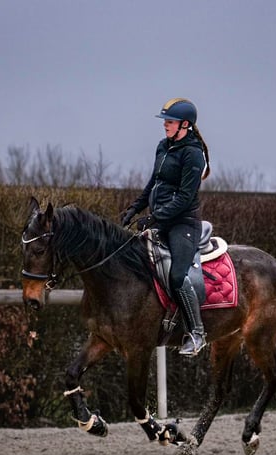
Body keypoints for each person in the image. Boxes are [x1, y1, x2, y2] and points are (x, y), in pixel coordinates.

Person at [121, 98, 212, 356]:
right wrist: (135, 208)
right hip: (161, 220)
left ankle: (197, 334)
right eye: (165, 122)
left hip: (183, 225)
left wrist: (155, 217)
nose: (165, 126)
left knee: (176, 276)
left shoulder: (193, 154)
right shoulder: (163, 147)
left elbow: (184, 198)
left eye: (169, 122)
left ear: (185, 125)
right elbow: (153, 183)